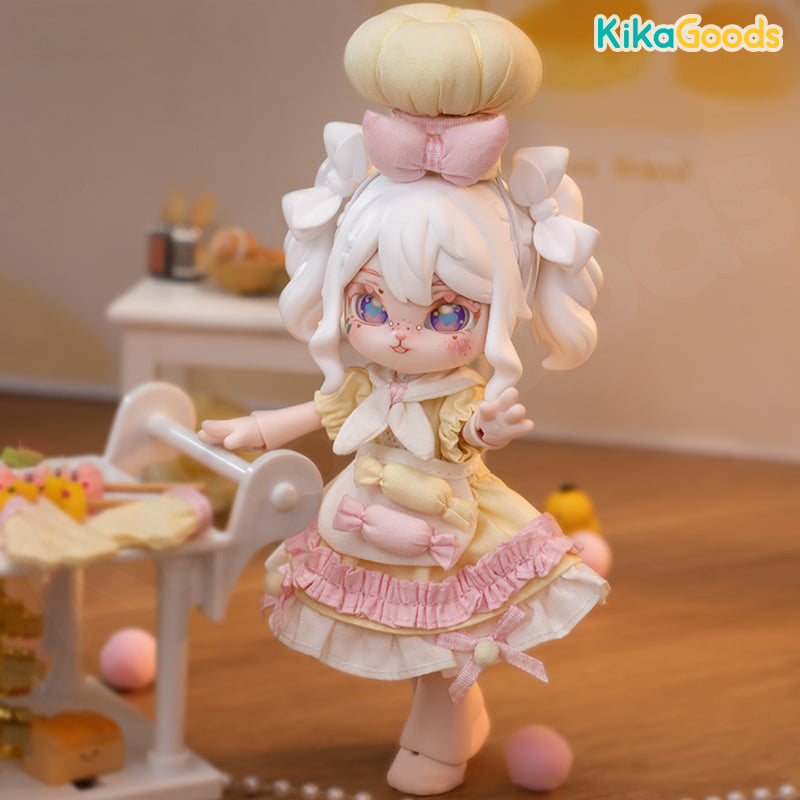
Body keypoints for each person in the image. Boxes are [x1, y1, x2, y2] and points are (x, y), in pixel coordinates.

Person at [200, 5, 608, 795]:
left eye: (446, 315)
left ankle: (442, 732)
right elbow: (328, 411)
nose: (396, 334)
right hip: (368, 515)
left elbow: (463, 433)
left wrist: (486, 426)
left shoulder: (454, 392)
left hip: (445, 524)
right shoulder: (368, 381)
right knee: (421, 646)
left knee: (441, 641)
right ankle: (452, 718)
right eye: (370, 304)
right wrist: (255, 428)